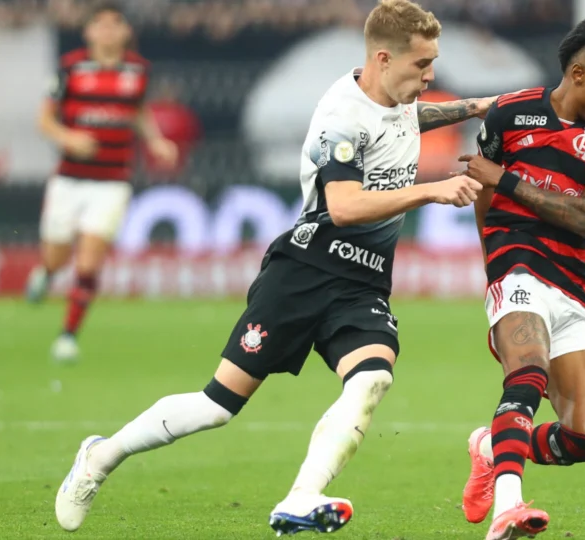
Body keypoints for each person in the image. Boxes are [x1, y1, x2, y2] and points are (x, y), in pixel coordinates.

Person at [54, 0, 493, 535]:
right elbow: (344, 207)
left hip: (362, 281)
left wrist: (472, 107)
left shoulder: (391, 95)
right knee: (218, 406)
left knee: (372, 377)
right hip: (304, 272)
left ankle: (301, 497)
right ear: (383, 58)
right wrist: (433, 189)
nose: (430, 75)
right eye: (421, 65)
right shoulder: (341, 117)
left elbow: (405, 117)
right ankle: (100, 457)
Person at [456, 17, 585, 540]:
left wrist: (508, 178)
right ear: (580, 74)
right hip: (516, 263)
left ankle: (491, 447)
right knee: (527, 371)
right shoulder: (509, 114)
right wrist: (495, 261)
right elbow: (484, 198)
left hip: (576, 281)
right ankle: (508, 509)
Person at [26, 1, 178, 362]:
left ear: (126, 31)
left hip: (112, 180)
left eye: (116, 24)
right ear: (89, 31)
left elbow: (138, 112)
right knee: (57, 256)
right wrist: (69, 138)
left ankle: (67, 336)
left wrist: (155, 139)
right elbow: (44, 120)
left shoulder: (138, 71)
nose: (108, 31)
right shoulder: (71, 68)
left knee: (89, 261)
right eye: (101, 24)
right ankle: (46, 273)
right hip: (69, 179)